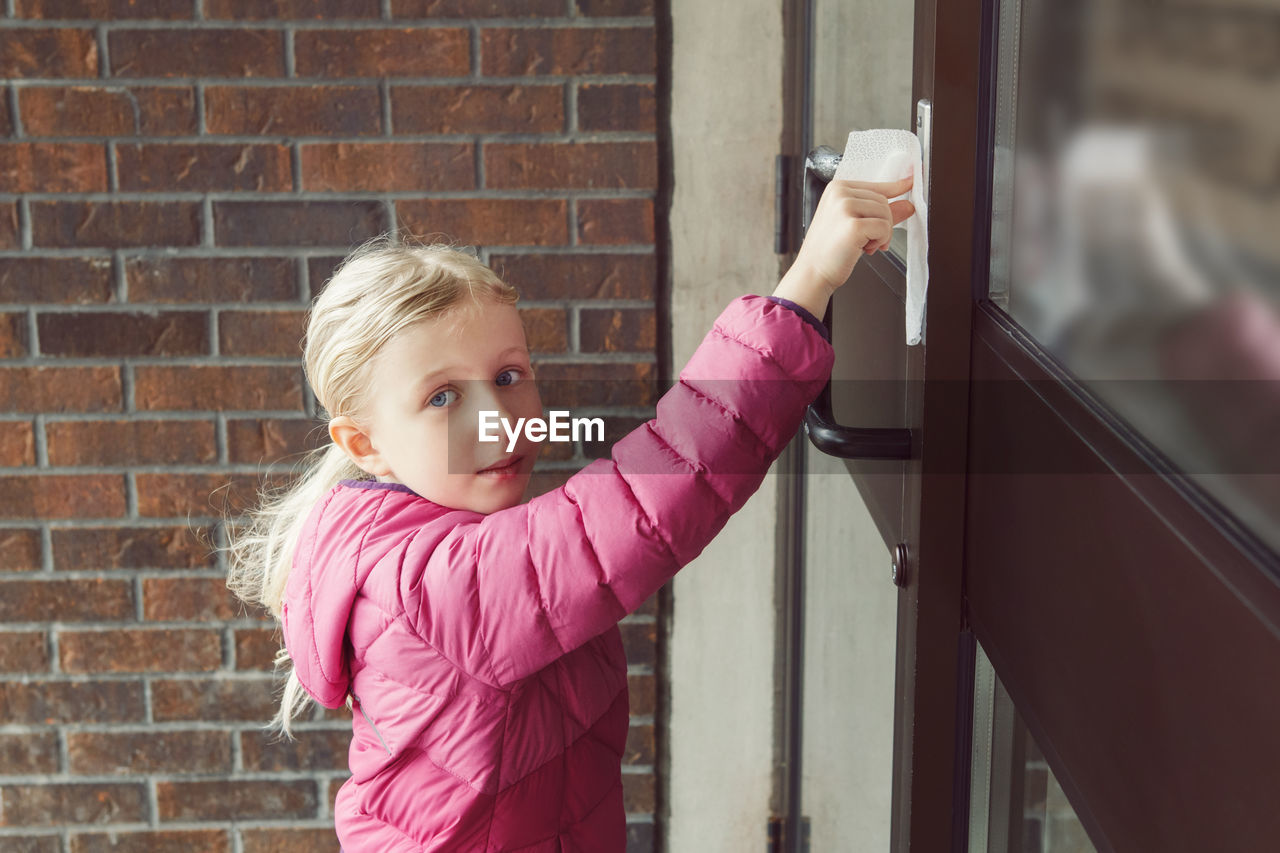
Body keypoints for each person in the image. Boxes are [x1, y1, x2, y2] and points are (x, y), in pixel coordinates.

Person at [226, 176, 914, 851]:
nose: (495, 420)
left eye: (507, 376)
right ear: (366, 444)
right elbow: (661, 487)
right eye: (441, 397)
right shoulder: (431, 583)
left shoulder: (414, 540)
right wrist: (810, 281)